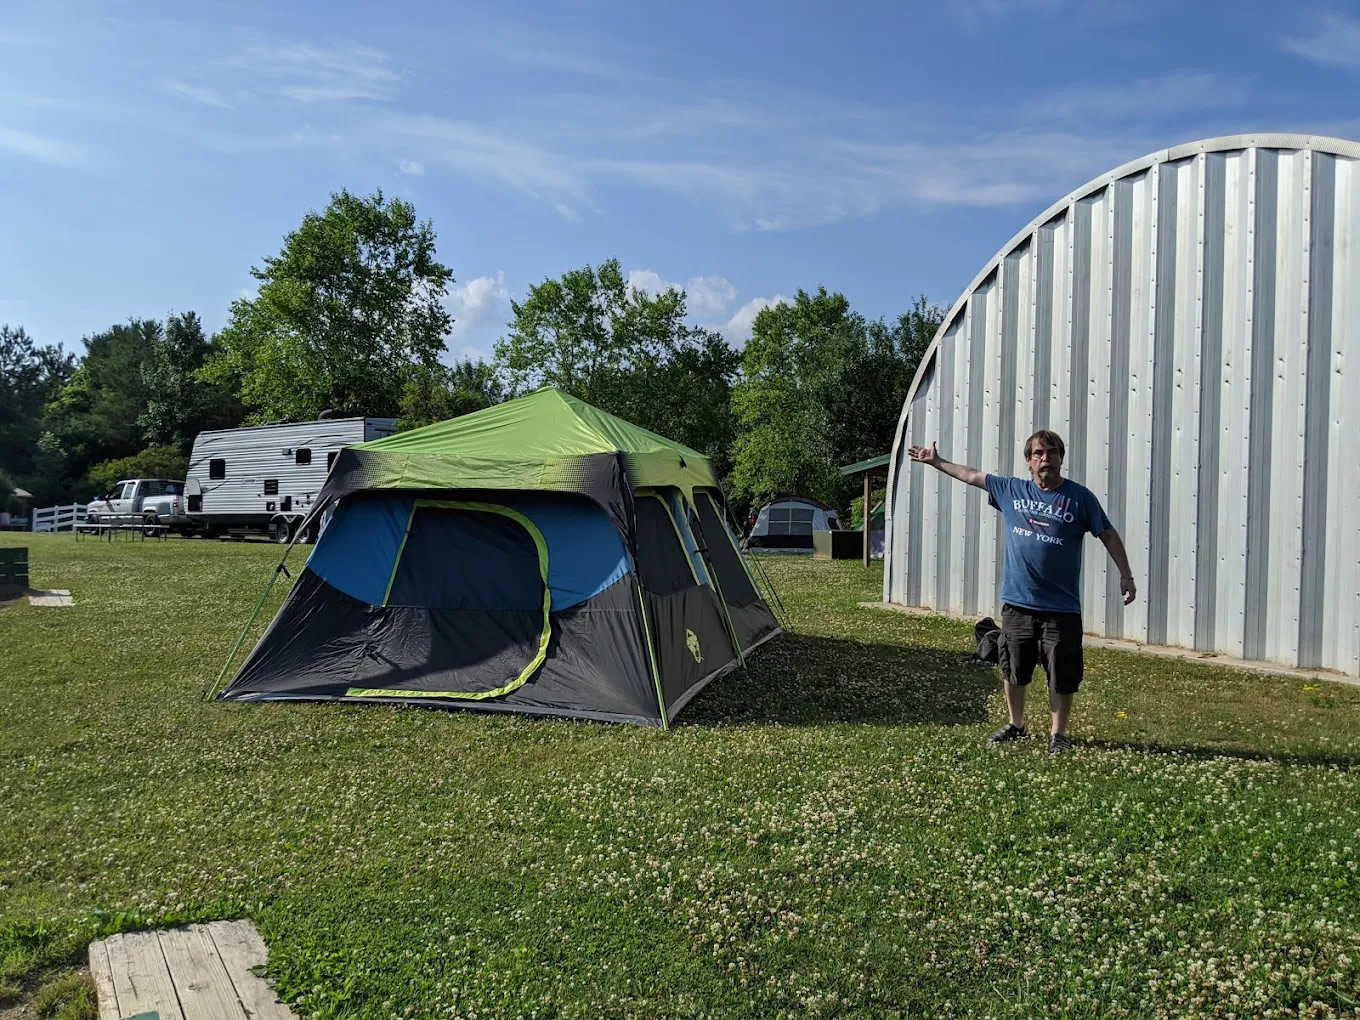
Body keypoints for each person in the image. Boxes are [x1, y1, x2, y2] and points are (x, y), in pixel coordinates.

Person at [907, 430, 1136, 752]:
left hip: (1062, 606)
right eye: (1039, 453)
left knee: (1062, 669)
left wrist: (1126, 575)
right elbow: (972, 475)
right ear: (1029, 461)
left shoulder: (1080, 498)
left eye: (1053, 453)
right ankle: (1016, 725)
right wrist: (937, 462)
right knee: (1013, 666)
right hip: (1018, 601)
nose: (1047, 459)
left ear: (1061, 458)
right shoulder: (1011, 489)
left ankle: (1059, 735)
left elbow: (1108, 534)